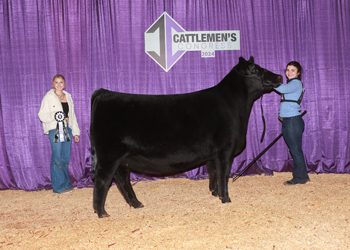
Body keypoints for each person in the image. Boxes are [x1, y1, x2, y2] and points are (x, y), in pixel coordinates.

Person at [38, 74, 80, 194]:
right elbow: (42, 115)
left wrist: (76, 132)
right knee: (57, 158)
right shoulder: (48, 97)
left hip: (68, 128)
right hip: (55, 129)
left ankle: (66, 184)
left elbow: (72, 116)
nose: (59, 84)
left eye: (61, 82)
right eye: (56, 82)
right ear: (53, 84)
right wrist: (55, 115)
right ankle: (58, 186)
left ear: (64, 84)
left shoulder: (68, 97)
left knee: (65, 158)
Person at [274, 61, 310, 185]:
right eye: (287, 70)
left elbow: (282, 88)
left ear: (298, 72)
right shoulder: (292, 83)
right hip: (289, 121)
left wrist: (269, 81)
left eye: (292, 70)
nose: (289, 72)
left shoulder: (296, 83)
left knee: (295, 150)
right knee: (295, 150)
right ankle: (302, 176)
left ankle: (300, 178)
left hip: (293, 121)